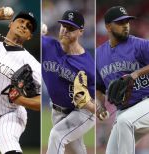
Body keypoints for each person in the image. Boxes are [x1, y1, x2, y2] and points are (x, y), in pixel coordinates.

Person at [0, 7, 41, 154]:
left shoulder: (32, 64)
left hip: (9, 115)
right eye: (21, 21)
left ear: (29, 36)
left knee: (9, 145)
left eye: (29, 26)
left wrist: (22, 100)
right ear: (10, 24)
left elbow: (45, 101)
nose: (24, 25)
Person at [96, 6, 149, 154]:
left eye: (127, 21)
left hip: (146, 102)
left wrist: (136, 73)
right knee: (112, 151)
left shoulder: (139, 44)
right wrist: (100, 105)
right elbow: (99, 87)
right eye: (120, 22)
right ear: (108, 26)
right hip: (124, 111)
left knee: (125, 122)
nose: (125, 25)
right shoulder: (99, 55)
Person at [42, 10, 96, 154]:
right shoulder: (47, 46)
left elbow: (99, 106)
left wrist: (89, 104)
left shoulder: (87, 65)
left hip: (82, 112)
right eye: (63, 26)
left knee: (57, 136)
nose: (65, 30)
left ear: (81, 32)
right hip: (57, 110)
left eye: (71, 28)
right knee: (77, 150)